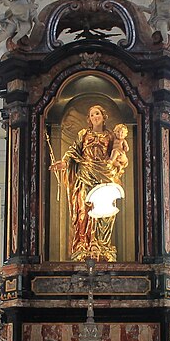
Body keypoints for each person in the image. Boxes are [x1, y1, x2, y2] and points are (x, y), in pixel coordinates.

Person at [50, 104, 129, 261]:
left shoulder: (111, 136)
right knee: (84, 209)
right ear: (89, 119)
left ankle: (102, 245)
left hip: (105, 175)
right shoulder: (83, 134)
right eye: (92, 115)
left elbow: (121, 155)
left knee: (106, 211)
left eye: (97, 113)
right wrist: (64, 163)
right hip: (85, 174)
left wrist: (122, 160)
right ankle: (84, 244)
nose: (95, 117)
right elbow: (73, 151)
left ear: (103, 117)